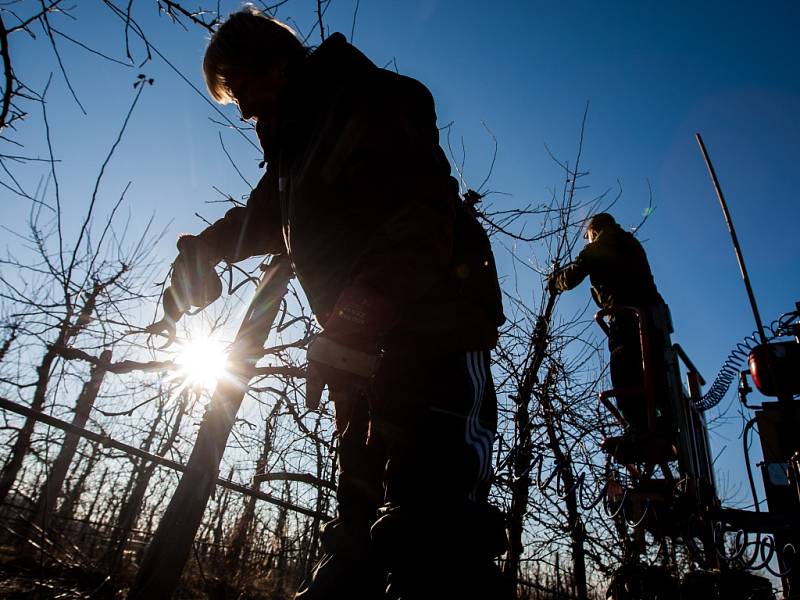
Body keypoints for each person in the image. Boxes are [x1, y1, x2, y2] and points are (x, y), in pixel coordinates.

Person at [152, 8, 508, 599]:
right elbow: (259, 220)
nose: (244, 111)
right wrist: (202, 253)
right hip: (356, 346)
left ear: (279, 64)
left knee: (437, 515)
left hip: (431, 330)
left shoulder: (366, 100)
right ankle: (351, 577)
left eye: (244, 88)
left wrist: (355, 320)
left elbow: (421, 215)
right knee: (361, 505)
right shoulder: (295, 156)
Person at [547, 213, 673, 449]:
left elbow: (575, 272)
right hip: (654, 314)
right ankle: (665, 422)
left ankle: (638, 429)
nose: (587, 241)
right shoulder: (629, 243)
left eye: (587, 236)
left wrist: (555, 282)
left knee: (625, 368)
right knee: (655, 368)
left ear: (594, 230)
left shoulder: (603, 243)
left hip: (627, 315)